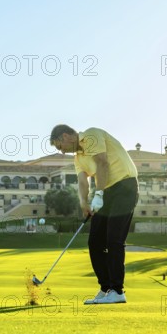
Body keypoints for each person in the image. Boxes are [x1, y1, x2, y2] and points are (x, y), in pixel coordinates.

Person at [49, 124, 139, 304]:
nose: (62, 152)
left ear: (65, 136)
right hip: (106, 191)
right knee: (95, 241)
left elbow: (102, 162)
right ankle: (106, 288)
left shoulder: (91, 135)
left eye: (60, 146)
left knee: (114, 239)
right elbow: (83, 181)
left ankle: (117, 291)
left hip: (125, 186)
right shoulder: (78, 159)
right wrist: (83, 202)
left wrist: (98, 194)